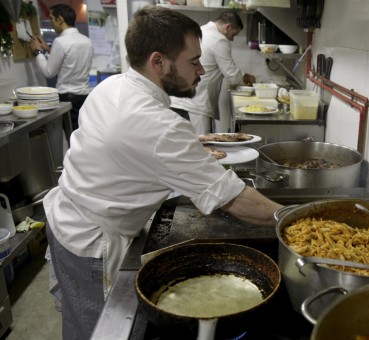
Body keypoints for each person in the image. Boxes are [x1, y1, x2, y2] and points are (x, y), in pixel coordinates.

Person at [41, 6, 283, 340]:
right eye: (193, 61)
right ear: (159, 61)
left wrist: (191, 142)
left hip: (66, 221)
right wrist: (295, 217)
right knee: (94, 333)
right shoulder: (160, 128)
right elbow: (235, 200)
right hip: (91, 244)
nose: (200, 69)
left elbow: (129, 148)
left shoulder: (114, 86)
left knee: (79, 324)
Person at [170, 10, 256, 134]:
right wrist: (247, 78)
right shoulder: (219, 40)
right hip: (195, 105)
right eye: (233, 34)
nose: (232, 39)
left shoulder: (202, 30)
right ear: (228, 27)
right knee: (201, 147)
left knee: (186, 145)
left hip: (180, 102)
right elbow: (232, 75)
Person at [30, 4, 93, 131]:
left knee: (70, 136)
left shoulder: (60, 42)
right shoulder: (86, 41)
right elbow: (70, 58)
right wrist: (49, 49)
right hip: (84, 97)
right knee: (81, 134)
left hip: (66, 98)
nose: (51, 23)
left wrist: (38, 53)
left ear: (60, 19)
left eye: (52, 19)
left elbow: (49, 72)